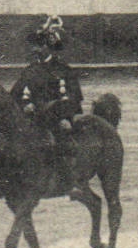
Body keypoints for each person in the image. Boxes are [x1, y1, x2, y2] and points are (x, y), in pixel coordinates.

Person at [10, 17, 83, 188]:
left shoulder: (63, 70)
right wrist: (24, 104)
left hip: (57, 117)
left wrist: (65, 116)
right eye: (33, 45)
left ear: (48, 47)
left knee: (59, 140)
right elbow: (15, 94)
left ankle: (69, 181)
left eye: (39, 45)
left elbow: (74, 97)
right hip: (33, 117)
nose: (35, 49)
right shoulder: (29, 70)